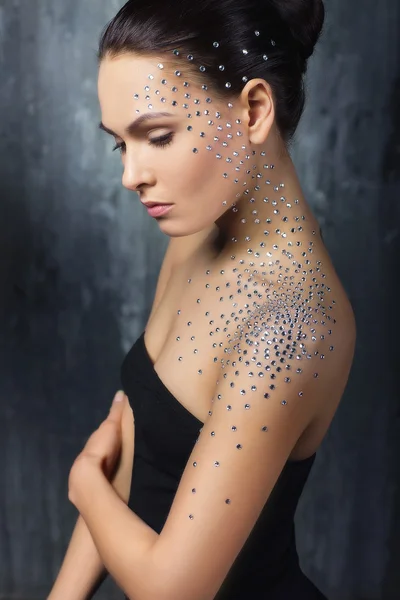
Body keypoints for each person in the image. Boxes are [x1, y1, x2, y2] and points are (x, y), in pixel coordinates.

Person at [48, 1, 356, 598]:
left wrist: (84, 481)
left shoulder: (292, 326)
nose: (130, 175)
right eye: (120, 145)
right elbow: (130, 457)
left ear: (254, 110)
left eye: (157, 136)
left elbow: (174, 590)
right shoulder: (192, 238)